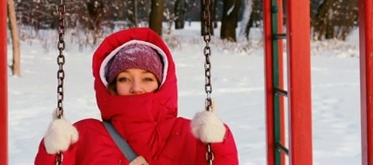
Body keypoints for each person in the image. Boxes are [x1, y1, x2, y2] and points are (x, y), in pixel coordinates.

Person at [34, 27, 239, 164]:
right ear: (112, 86)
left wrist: (220, 142)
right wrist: (52, 150)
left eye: (147, 79)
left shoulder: (190, 134)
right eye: (124, 79)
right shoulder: (84, 135)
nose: (136, 87)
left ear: (162, 84)